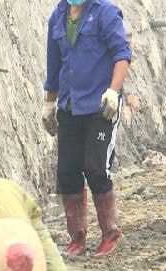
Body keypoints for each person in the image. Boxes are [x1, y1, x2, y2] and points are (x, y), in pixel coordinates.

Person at [43, 0, 132, 257]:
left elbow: (121, 55)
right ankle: (77, 239)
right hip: (71, 106)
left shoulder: (105, 13)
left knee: (95, 167)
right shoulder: (58, 17)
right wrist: (49, 104)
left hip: (101, 106)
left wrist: (113, 92)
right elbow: (54, 65)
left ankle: (110, 233)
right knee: (68, 172)